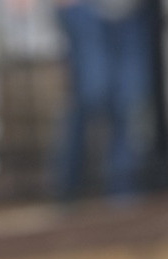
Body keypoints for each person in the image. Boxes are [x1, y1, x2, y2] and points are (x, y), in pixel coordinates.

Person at [53, 0, 151, 202]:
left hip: (129, 11)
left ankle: (121, 184)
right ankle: (68, 181)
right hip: (81, 8)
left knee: (127, 100)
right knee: (92, 94)